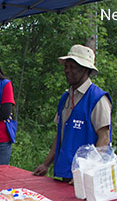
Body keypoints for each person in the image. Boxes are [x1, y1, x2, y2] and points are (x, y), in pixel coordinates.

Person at [34, 44, 112, 181]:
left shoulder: (97, 98)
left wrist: (87, 173)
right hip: (65, 172)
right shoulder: (65, 98)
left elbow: (104, 138)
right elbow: (60, 134)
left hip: (87, 178)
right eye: (66, 66)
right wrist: (46, 164)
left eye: (73, 67)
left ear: (85, 70)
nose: (67, 71)